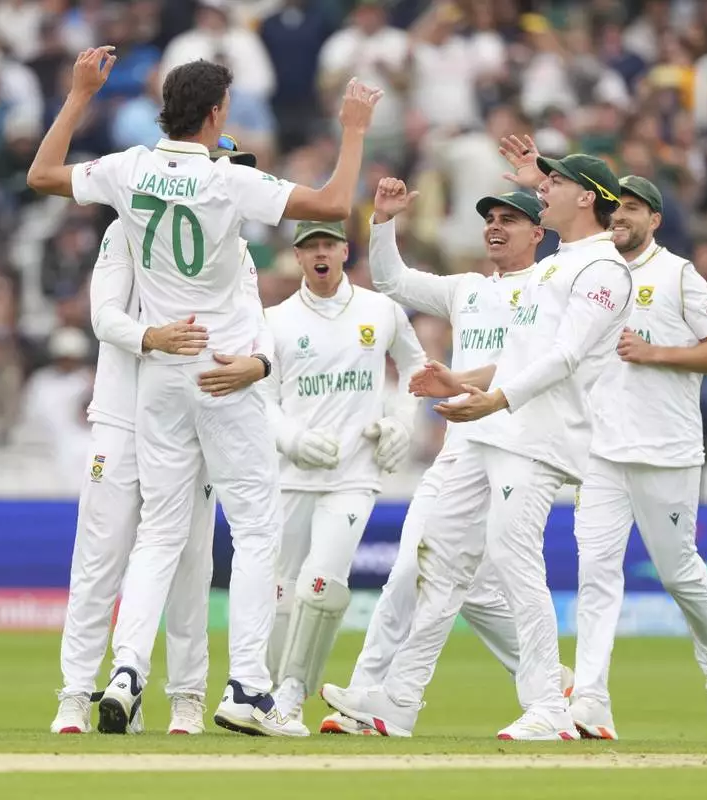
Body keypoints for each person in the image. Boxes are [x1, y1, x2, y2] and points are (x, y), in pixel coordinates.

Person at [26, 48, 383, 737]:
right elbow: (336, 204)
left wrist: (77, 96)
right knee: (255, 531)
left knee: (159, 536)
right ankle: (246, 688)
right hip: (224, 366)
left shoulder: (127, 168)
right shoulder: (227, 181)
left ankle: (127, 669)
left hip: (161, 372)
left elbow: (42, 174)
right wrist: (355, 128)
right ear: (217, 112)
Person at [322, 152, 632, 740]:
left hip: (537, 437)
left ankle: (549, 706)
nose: (545, 187)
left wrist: (494, 398)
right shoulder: (552, 267)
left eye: (556, 183)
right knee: (435, 562)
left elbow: (564, 358)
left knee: (515, 563)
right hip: (488, 427)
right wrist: (463, 384)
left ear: (586, 198)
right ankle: (396, 703)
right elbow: (517, 356)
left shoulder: (602, 271)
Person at [54, 137, 266, 737]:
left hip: (193, 414)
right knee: (99, 557)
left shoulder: (238, 253)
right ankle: (75, 694)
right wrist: (153, 338)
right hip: (122, 415)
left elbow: (254, 329)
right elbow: (102, 317)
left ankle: (186, 698)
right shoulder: (127, 227)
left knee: (190, 560)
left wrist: (258, 365)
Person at [562, 175, 707, 739]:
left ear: (655, 220)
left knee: (678, 572)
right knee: (595, 571)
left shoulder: (678, 274)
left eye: (634, 208)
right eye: (615, 207)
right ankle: (590, 696)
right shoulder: (591, 272)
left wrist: (655, 352)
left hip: (666, 449)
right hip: (601, 451)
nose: (621, 216)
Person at [262, 219, 424, 724]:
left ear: (344, 250)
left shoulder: (381, 310)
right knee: (281, 591)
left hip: (355, 474)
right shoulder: (274, 320)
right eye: (309, 247)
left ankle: (292, 694)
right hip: (290, 475)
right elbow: (259, 398)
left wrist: (401, 421)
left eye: (328, 244)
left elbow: (416, 369)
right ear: (297, 256)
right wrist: (292, 439)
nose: (319, 254)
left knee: (322, 583)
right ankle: (264, 692)